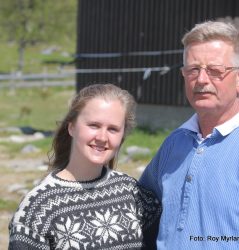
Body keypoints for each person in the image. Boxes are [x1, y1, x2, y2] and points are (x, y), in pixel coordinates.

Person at [8, 83, 161, 250]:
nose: (102, 137)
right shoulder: (38, 208)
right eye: (94, 125)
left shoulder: (133, 194)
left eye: (113, 129)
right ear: (72, 127)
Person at [139, 21, 239, 249]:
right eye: (192, 70)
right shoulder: (175, 143)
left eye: (215, 71)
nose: (201, 80)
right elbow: (142, 210)